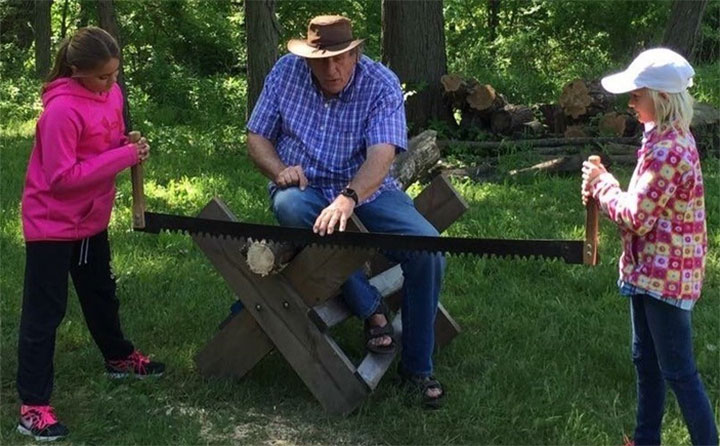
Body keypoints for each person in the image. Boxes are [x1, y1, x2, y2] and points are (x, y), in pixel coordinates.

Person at [246, 15, 446, 408]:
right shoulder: (285, 72)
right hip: (304, 191)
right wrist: (278, 169)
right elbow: (257, 136)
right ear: (306, 59)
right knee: (291, 207)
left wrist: (349, 197)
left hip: (368, 192)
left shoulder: (380, 82)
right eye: (321, 61)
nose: (331, 69)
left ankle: (418, 369)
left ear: (356, 52)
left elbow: (381, 156)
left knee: (428, 249)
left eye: (340, 59)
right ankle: (370, 307)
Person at [17, 26, 165, 442]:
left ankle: (118, 358)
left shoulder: (111, 94)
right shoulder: (60, 112)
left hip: (91, 218)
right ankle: (32, 405)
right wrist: (122, 155)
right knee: (45, 314)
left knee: (101, 291)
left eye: (115, 75)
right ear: (78, 70)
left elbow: (105, 143)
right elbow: (61, 178)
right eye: (103, 76)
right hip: (52, 224)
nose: (111, 83)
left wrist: (126, 146)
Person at [581, 48, 718, 446]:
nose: (629, 103)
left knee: (678, 371)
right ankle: (645, 439)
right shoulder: (660, 137)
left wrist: (602, 184)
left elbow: (636, 216)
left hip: (666, 278)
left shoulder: (669, 150)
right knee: (646, 361)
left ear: (660, 97)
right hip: (648, 271)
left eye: (636, 95)